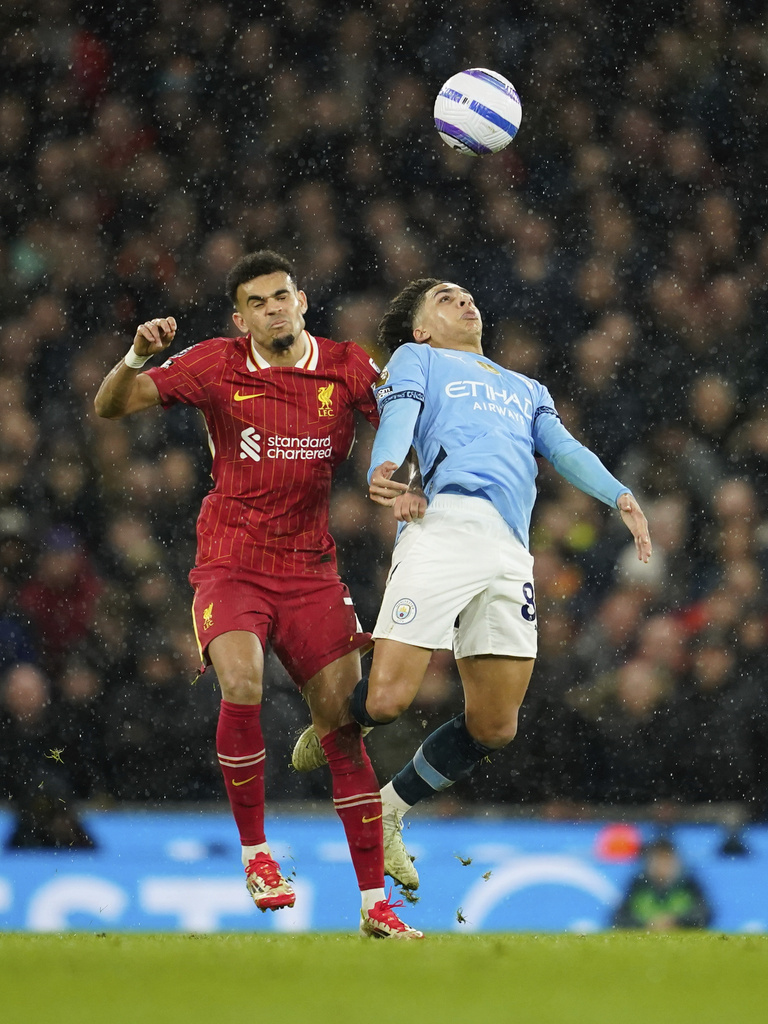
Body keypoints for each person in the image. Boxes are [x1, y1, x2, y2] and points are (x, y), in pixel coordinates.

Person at [94, 249, 422, 938]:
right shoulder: (216, 363)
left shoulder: (347, 366)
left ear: (302, 300)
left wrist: (401, 469)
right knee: (240, 684)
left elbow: (405, 415)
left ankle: (373, 906)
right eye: (259, 302)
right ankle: (257, 855)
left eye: (284, 296)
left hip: (311, 571)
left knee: (344, 730)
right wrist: (134, 358)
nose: (275, 308)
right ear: (239, 317)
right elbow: (110, 407)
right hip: (231, 564)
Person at [293, 277, 651, 891]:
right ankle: (332, 716)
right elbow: (400, 416)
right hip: (444, 526)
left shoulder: (526, 388)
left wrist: (618, 494)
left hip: (511, 550)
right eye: (446, 297)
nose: (465, 300)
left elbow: (563, 450)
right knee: (387, 701)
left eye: (467, 293)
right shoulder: (420, 359)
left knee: (495, 725)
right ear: (422, 327)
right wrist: (389, 465)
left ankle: (388, 812)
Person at [611, 837, 713, 930]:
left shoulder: (688, 884)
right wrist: (646, 924)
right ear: (649, 862)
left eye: (667, 860)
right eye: (658, 860)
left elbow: (705, 915)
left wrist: (676, 921)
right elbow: (619, 918)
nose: (663, 865)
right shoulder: (638, 884)